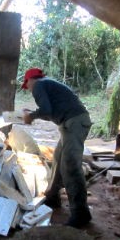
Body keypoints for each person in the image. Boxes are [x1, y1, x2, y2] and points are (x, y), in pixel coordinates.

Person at [21, 67, 92, 228]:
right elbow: (50, 112)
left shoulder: (39, 85)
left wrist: (31, 116)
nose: (29, 89)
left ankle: (81, 213)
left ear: (30, 80)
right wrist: (31, 113)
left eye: (27, 85)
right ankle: (52, 196)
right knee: (58, 160)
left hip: (74, 123)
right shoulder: (47, 85)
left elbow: (46, 110)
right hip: (70, 124)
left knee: (70, 166)